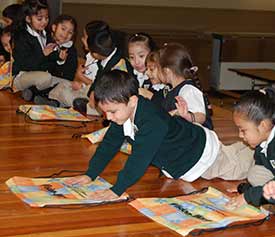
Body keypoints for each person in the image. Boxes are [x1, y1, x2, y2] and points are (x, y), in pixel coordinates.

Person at [65, 69, 254, 201]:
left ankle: (267, 149)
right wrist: (91, 174)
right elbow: (109, 144)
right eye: (105, 112)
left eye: (112, 112)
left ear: (132, 101)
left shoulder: (151, 122)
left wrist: (117, 189)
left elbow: (139, 158)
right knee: (236, 151)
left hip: (203, 156)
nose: (108, 117)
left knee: (242, 166)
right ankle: (252, 147)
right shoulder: (122, 116)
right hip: (186, 147)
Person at [226, 88, 275, 211]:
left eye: (243, 130)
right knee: (255, 173)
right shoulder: (264, 137)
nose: (240, 135)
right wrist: (246, 189)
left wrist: (247, 197)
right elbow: (262, 166)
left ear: (263, 125)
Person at [72, 20, 133, 115]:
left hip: (118, 104)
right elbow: (97, 80)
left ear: (95, 54)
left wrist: (96, 97)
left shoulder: (118, 66)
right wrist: (93, 91)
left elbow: (116, 95)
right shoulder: (105, 58)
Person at [159, 43, 213, 129]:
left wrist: (187, 116)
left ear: (166, 71)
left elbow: (201, 117)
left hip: (199, 139)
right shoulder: (173, 90)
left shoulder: (188, 90)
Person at [32, 14, 78, 106]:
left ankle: (49, 100)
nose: (65, 34)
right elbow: (37, 62)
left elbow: (69, 75)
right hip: (41, 77)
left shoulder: (71, 50)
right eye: (63, 29)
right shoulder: (45, 41)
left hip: (58, 81)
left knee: (63, 86)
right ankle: (34, 93)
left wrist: (61, 62)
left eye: (70, 32)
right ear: (54, 27)